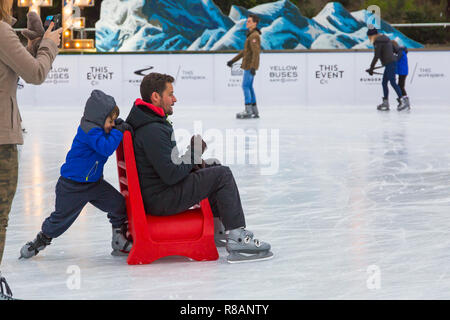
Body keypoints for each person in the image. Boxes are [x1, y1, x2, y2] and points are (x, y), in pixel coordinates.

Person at [125, 72, 273, 263]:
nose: (174, 99)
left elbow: (167, 167)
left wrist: (193, 161)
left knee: (213, 165)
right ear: (156, 97)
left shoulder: (149, 122)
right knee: (222, 175)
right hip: (162, 199)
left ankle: (219, 230)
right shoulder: (152, 129)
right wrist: (193, 152)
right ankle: (237, 239)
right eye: (170, 94)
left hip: (159, 191)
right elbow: (171, 174)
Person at [19, 90, 133, 260]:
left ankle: (118, 239)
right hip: (72, 186)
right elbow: (106, 148)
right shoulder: (90, 131)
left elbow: (107, 137)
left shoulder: (98, 128)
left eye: (112, 121)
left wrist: (116, 125)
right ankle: (41, 239)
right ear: (98, 118)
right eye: (109, 121)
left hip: (94, 184)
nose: (111, 125)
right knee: (60, 220)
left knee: (118, 205)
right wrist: (118, 131)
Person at [0, 0, 62, 300]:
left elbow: (9, 68)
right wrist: (48, 44)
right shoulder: (1, 33)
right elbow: (35, 74)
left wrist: (31, 45)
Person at [227, 14, 262, 119]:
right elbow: (245, 52)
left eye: (249, 21)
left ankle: (248, 110)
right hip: (248, 65)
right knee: (249, 87)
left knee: (245, 86)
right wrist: (233, 61)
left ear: (255, 23)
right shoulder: (251, 35)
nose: (247, 23)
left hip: (249, 66)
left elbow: (256, 53)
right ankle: (254, 111)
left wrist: (253, 67)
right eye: (247, 21)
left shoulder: (254, 36)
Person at [367, 28, 408, 111]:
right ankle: (386, 102)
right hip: (390, 63)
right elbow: (395, 50)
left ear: (373, 35)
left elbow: (376, 56)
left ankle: (402, 101)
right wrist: (402, 49)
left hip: (390, 64)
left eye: (369, 36)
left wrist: (371, 68)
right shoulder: (386, 39)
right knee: (384, 82)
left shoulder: (377, 41)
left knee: (392, 82)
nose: (369, 38)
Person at [392, 40, 410, 110]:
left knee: (401, 86)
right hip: (403, 71)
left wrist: (390, 57)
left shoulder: (400, 51)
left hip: (403, 71)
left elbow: (397, 59)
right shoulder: (401, 51)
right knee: (400, 86)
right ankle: (404, 102)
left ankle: (405, 102)